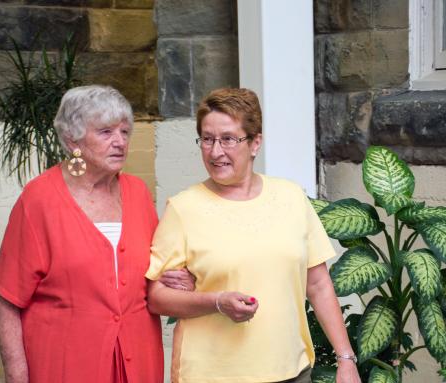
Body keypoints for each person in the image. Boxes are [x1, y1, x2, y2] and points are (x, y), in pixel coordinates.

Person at [145, 88, 362, 383]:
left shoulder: (291, 197)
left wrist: (345, 359)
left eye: (228, 139)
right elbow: (156, 298)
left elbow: (319, 283)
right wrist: (216, 301)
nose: (215, 151)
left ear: (255, 142)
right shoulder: (183, 209)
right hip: (213, 375)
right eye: (207, 139)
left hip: (292, 372)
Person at [0, 85, 193, 383]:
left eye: (125, 132)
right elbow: (7, 296)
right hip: (65, 362)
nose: (120, 142)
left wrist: (177, 278)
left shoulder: (137, 193)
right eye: (106, 132)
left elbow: (148, 271)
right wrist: (17, 375)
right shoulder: (40, 199)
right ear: (73, 138)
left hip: (137, 359)